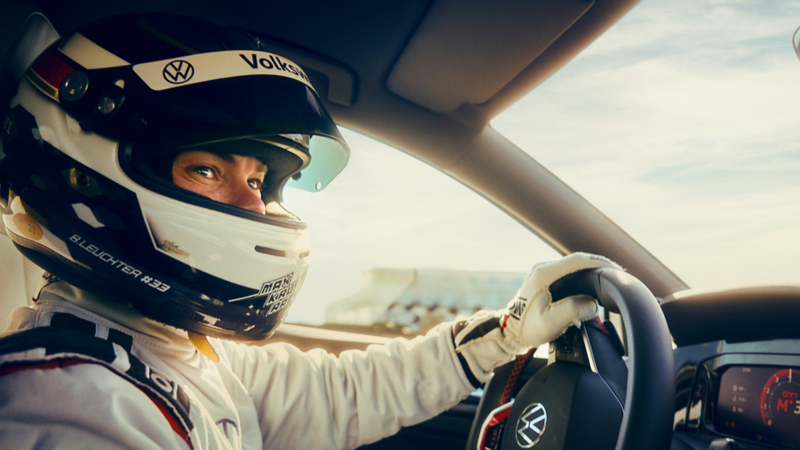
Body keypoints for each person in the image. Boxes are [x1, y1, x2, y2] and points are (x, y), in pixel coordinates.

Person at [0, 13, 621, 449]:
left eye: (260, 179)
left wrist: (504, 334)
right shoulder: (71, 408)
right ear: (83, 175)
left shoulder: (170, 348)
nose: (254, 203)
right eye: (208, 169)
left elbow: (340, 394)